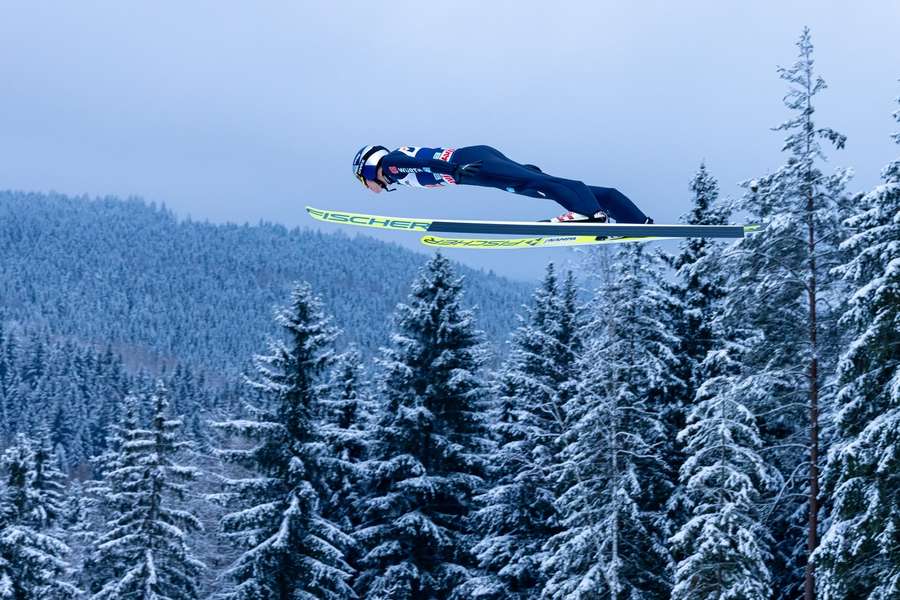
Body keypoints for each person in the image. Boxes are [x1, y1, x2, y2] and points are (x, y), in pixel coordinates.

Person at [352, 144, 652, 224]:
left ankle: (588, 215)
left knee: (538, 182)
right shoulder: (394, 169)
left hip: (470, 165)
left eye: (363, 180)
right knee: (537, 184)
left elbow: (428, 165)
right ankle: (632, 218)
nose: (367, 187)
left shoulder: (390, 164)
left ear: (368, 167)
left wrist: (456, 168)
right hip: (474, 167)